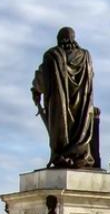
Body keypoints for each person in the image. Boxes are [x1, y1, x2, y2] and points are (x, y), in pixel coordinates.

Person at [31, 27, 95, 168]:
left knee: (62, 129)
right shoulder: (85, 57)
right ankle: (79, 155)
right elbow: (91, 76)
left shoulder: (52, 56)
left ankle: (62, 154)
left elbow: (42, 78)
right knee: (80, 128)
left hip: (60, 110)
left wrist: (36, 90)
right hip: (82, 109)